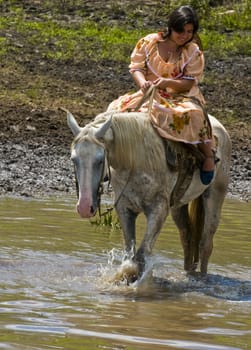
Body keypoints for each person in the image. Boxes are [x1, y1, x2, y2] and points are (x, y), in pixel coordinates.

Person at [107, 5, 215, 185]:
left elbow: (189, 82)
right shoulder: (149, 42)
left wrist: (168, 83)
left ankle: (208, 155)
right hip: (150, 93)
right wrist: (143, 84)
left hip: (181, 95)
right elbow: (136, 68)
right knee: (115, 110)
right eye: (181, 31)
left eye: (189, 31)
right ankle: (110, 160)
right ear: (171, 27)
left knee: (194, 115)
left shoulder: (192, 51)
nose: (184, 35)